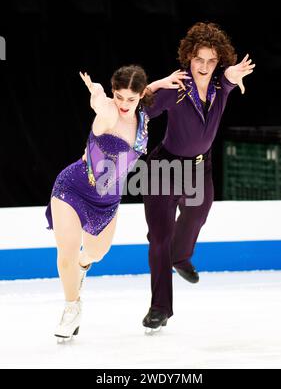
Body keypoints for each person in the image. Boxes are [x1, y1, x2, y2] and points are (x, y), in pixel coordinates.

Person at [45, 64, 188, 341]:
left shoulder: (143, 116)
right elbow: (100, 100)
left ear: (139, 97)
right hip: (72, 187)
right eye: (119, 96)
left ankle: (83, 266)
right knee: (67, 251)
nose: (124, 104)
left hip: (108, 200)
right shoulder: (109, 111)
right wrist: (96, 91)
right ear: (114, 92)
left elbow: (148, 89)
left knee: (96, 253)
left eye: (130, 98)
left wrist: (165, 80)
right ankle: (72, 307)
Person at [141, 22, 255, 331]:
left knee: (198, 213)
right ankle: (160, 307)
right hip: (164, 168)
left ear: (219, 62)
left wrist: (231, 74)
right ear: (189, 58)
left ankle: (182, 256)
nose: (204, 67)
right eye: (198, 59)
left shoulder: (221, 85)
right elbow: (139, 107)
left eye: (211, 60)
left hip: (198, 168)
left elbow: (229, 79)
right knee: (160, 238)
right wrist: (158, 84)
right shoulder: (176, 89)